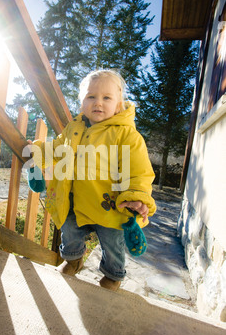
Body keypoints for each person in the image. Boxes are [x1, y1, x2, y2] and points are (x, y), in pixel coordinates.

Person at [26, 69, 156, 291]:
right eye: (91, 96)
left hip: (110, 204)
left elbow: (138, 171)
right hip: (74, 199)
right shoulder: (73, 129)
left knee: (112, 242)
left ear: (118, 105)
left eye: (107, 98)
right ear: (82, 102)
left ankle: (113, 275)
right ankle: (72, 260)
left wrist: (136, 196)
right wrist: (37, 150)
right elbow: (57, 149)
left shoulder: (126, 135)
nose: (98, 102)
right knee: (70, 232)